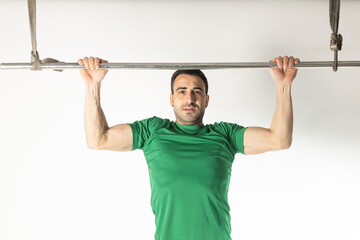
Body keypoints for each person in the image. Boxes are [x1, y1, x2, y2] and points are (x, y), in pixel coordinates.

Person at [78, 56, 300, 240]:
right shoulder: (152, 131)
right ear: (171, 99)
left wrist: (284, 85)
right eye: (182, 91)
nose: (189, 98)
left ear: (206, 100)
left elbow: (279, 139)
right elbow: (98, 139)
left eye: (197, 91)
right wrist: (92, 86)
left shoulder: (224, 135)